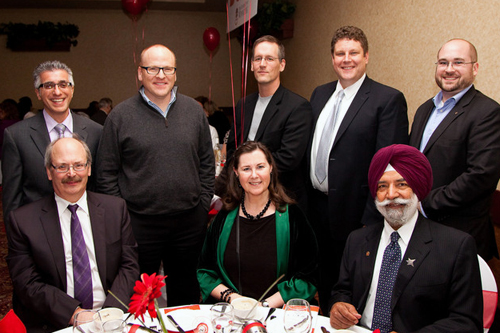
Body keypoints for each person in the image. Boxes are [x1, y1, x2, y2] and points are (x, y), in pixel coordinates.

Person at [96, 44, 214, 306]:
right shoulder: (119, 117)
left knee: (185, 290)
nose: (161, 75)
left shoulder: (194, 112)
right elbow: (105, 173)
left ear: (175, 73)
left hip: (188, 221)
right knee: (139, 295)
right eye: (153, 68)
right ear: (140, 73)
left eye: (167, 68)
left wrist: (203, 202)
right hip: (139, 225)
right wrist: (123, 215)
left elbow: (207, 161)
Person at [307, 26, 409, 313]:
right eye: (340, 53)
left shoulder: (386, 100)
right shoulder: (319, 94)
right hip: (317, 210)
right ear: (332, 58)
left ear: (366, 57)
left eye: (353, 53)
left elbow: (390, 167)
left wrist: (371, 217)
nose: (346, 59)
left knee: (352, 291)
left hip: (357, 217)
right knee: (323, 282)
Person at [329, 144, 482, 333]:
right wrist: (339, 306)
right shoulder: (358, 240)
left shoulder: (456, 246)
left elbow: (466, 322)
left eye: (402, 184)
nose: (391, 195)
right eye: (382, 186)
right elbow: (342, 291)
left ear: (418, 189)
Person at [7, 137, 139, 333]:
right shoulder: (23, 221)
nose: (71, 174)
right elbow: (27, 283)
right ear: (49, 172)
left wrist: (110, 314)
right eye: (62, 167)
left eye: (78, 165)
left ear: (89, 169)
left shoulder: (115, 209)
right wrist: (75, 314)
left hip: (112, 315)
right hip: (56, 321)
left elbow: (130, 265)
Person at [409, 38, 500, 261]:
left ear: (475, 68)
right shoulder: (424, 109)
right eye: (443, 62)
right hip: (417, 228)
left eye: (458, 62)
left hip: (459, 234)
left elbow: (481, 176)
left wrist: (424, 204)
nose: (449, 69)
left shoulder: (488, 112)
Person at [198, 141, 318, 307]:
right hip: (230, 314)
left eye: (260, 167)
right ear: (236, 172)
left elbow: (308, 277)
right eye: (246, 169)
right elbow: (205, 271)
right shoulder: (223, 218)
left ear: (270, 168)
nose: (254, 175)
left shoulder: (293, 218)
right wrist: (234, 299)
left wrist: (263, 306)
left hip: (278, 317)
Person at [2, 60, 102, 233]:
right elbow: (12, 198)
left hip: (86, 228)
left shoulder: (96, 132)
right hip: (37, 229)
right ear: (38, 93)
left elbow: (101, 186)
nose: (57, 92)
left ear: (72, 89)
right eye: (48, 86)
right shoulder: (16, 136)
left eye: (63, 84)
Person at [221, 35, 313, 211]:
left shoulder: (298, 107)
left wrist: (248, 172)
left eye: (269, 58)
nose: (262, 64)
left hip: (281, 202)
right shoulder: (243, 104)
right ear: (252, 65)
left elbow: (288, 159)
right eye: (258, 59)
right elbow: (233, 149)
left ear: (282, 65)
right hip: (243, 198)